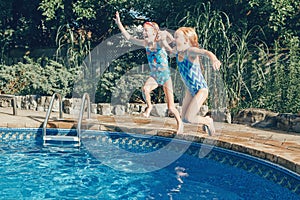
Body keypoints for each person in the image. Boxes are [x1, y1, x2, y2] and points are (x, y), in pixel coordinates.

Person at [114, 11, 183, 134]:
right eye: (143, 30)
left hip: (166, 77)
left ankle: (180, 124)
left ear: (153, 32)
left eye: (146, 30)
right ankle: (149, 106)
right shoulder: (145, 43)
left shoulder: (159, 43)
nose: (143, 32)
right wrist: (119, 23)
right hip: (155, 77)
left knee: (171, 108)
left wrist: (167, 34)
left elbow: (170, 41)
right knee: (145, 89)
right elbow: (129, 37)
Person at [160, 27, 221, 135]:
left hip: (201, 90)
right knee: (184, 118)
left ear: (186, 40)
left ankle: (207, 120)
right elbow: (169, 49)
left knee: (189, 117)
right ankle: (206, 122)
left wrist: (214, 59)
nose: (174, 40)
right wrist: (164, 38)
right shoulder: (178, 52)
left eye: (177, 37)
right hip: (190, 90)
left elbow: (206, 52)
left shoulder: (190, 51)